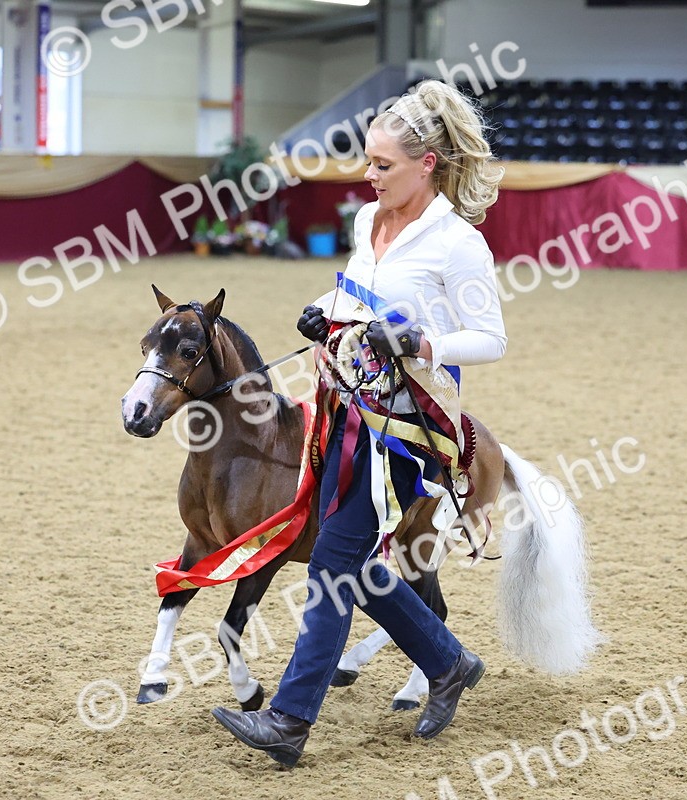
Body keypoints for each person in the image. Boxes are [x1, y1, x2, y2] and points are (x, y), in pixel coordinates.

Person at [210, 79, 508, 768]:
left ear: (426, 162)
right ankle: (449, 661)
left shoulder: (457, 244)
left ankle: (288, 721)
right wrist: (324, 309)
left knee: (332, 565)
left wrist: (421, 344)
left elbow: (490, 338)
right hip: (348, 409)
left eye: (381, 165)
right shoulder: (367, 224)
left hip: (409, 429)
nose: (365, 175)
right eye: (366, 161)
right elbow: (356, 290)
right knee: (355, 566)